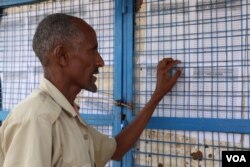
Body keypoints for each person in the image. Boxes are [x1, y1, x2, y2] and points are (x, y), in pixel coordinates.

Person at [0, 13, 181, 167]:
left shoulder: (67, 115)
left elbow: (116, 149)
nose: (100, 61)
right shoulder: (37, 118)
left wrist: (157, 96)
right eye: (92, 51)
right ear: (62, 56)